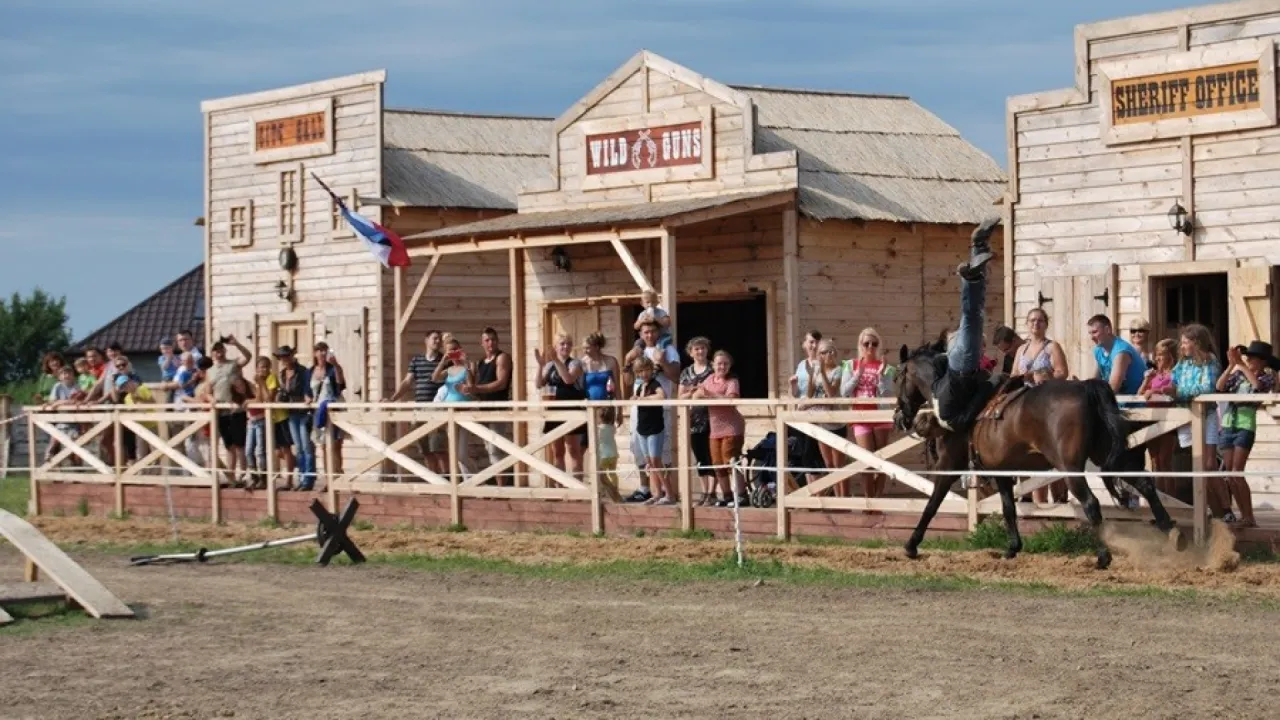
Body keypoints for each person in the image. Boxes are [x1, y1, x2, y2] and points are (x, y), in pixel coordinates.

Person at [928, 216, 1000, 434]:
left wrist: (993, 383)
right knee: (974, 313)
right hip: (954, 361)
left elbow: (973, 409)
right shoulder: (936, 393)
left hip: (962, 366)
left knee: (973, 315)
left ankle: (969, 277)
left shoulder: (951, 420)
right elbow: (938, 363)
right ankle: (979, 247)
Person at [1215, 341, 1278, 528]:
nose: (1248, 360)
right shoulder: (1239, 375)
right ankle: (1243, 515)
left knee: (1237, 472)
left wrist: (1241, 365)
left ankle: (1249, 515)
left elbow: (1257, 386)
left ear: (1262, 361)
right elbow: (1219, 386)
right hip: (1228, 423)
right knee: (1230, 474)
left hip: (1245, 424)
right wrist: (1231, 366)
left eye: (1251, 358)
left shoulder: (1267, 377)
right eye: (1247, 357)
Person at [1171, 324, 1223, 517]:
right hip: (1187, 416)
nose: (1182, 345)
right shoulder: (1183, 363)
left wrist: (1178, 393)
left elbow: (1207, 388)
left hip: (1206, 415)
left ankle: (1225, 509)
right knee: (1199, 465)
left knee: (1209, 464)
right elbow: (1172, 381)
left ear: (1197, 342)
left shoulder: (1210, 361)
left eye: (1186, 342)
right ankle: (1213, 511)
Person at [389, 330, 448, 474]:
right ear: (426, 340)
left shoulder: (444, 360)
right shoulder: (416, 360)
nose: (437, 342)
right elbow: (407, 382)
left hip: (437, 409)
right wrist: (392, 399)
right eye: (434, 338)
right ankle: (433, 480)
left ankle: (447, 480)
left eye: (439, 339)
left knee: (438, 448)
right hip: (420, 409)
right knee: (425, 449)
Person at [693, 350, 745, 507]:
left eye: (725, 364)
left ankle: (742, 495)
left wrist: (710, 395)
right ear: (712, 365)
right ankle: (727, 496)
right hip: (715, 429)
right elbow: (697, 395)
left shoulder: (732, 381)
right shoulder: (709, 379)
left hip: (732, 427)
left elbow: (731, 399)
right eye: (719, 364)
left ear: (729, 366)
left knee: (730, 460)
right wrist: (702, 393)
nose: (722, 366)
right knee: (717, 464)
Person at [534, 333, 587, 476]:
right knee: (557, 452)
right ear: (556, 346)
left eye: (568, 344)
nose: (566, 346)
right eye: (562, 344)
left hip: (572, 410)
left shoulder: (576, 363)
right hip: (554, 411)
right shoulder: (550, 365)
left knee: (574, 451)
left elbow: (568, 379)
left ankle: (577, 488)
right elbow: (539, 384)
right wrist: (540, 366)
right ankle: (560, 488)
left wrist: (556, 360)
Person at [468, 328, 513, 485]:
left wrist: (476, 388)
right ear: (481, 343)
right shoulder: (480, 362)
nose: (490, 343)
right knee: (488, 448)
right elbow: (475, 387)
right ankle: (497, 484)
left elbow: (501, 383)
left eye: (493, 339)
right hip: (483, 409)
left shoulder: (502, 358)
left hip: (498, 408)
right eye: (487, 340)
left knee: (495, 448)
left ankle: (502, 486)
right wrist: (470, 380)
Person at [1137, 338, 1178, 499]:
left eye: (1161, 355)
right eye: (1157, 355)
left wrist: (1158, 390)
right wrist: (1147, 380)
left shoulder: (1175, 373)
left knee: (1165, 461)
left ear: (1170, 356)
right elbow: (1140, 394)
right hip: (1151, 418)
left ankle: (1172, 501)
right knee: (1155, 462)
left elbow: (1174, 389)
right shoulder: (1154, 375)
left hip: (1168, 419)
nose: (1158, 358)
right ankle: (1160, 499)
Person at [631, 356, 674, 505]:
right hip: (642, 428)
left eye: (647, 370)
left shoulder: (655, 383)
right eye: (640, 371)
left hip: (655, 428)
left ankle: (669, 493)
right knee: (649, 461)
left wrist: (642, 400)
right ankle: (656, 493)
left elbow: (662, 396)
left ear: (651, 369)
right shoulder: (639, 386)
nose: (644, 373)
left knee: (657, 461)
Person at [678, 337, 716, 505]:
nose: (700, 352)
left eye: (703, 348)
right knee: (700, 457)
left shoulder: (713, 369)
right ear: (690, 352)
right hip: (693, 419)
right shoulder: (686, 372)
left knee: (712, 455)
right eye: (696, 349)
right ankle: (703, 491)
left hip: (712, 418)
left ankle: (713, 492)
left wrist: (705, 391)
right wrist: (692, 391)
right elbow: (680, 396)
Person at [1087, 314, 1146, 397]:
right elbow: (1095, 380)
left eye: (1095, 332)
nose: (1091, 337)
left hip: (1134, 401)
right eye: (1090, 333)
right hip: (1117, 400)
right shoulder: (1098, 350)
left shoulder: (1121, 351)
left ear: (1107, 330)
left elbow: (1113, 387)